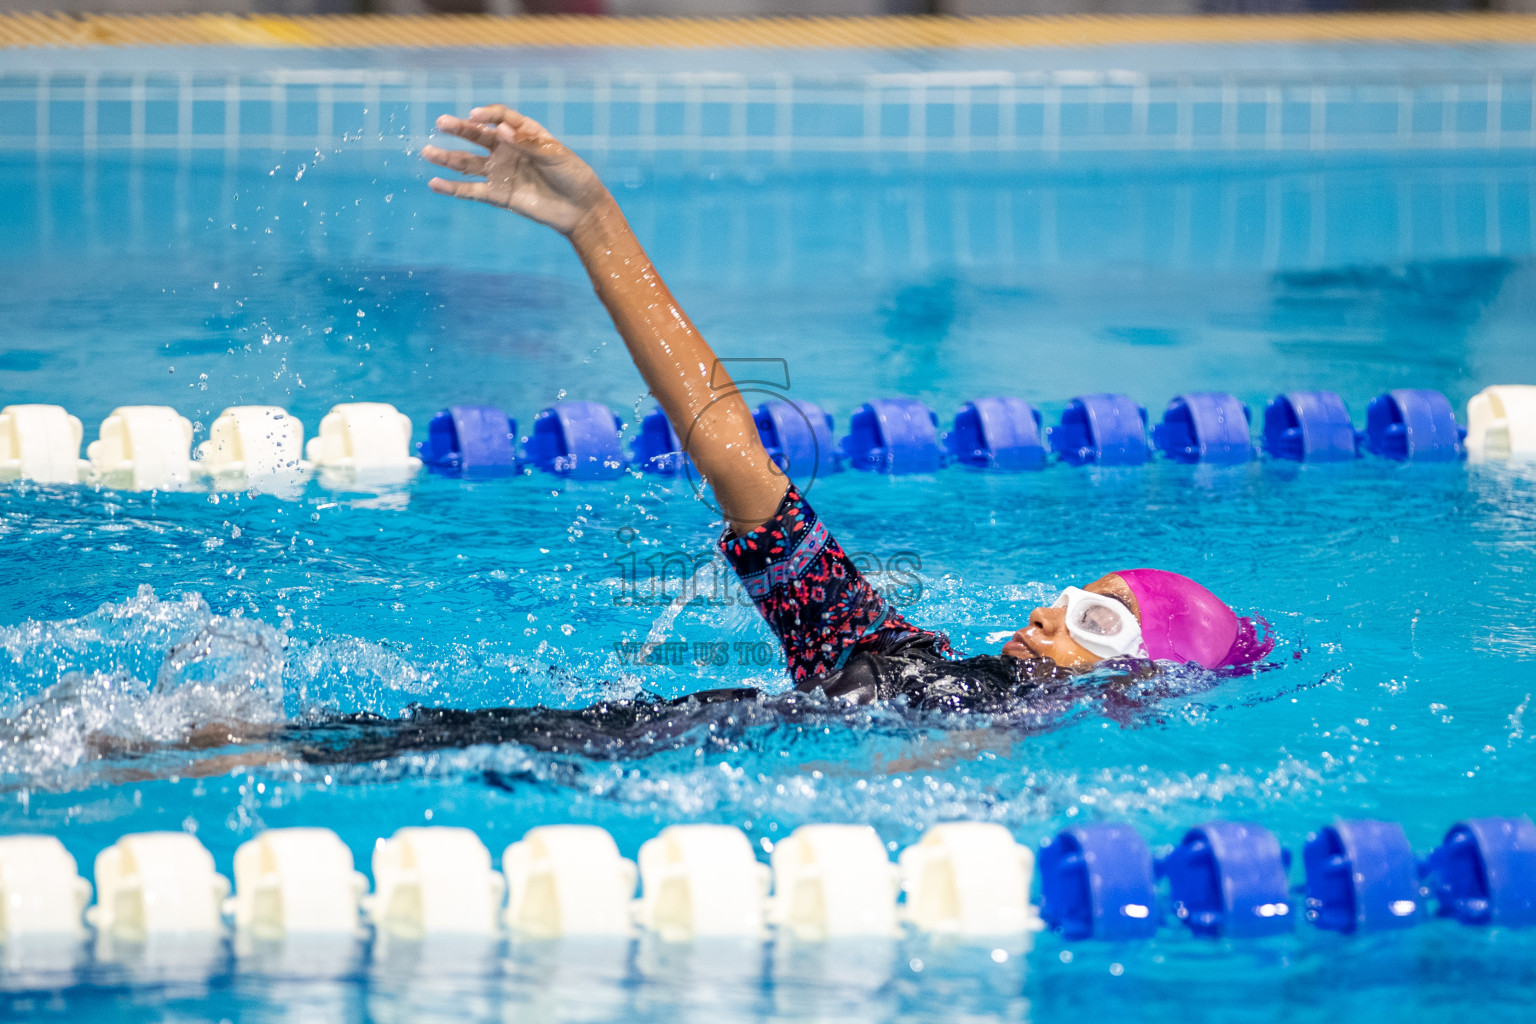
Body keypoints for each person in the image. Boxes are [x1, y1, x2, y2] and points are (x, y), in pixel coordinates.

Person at [420, 104, 1271, 718]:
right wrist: (592, 221)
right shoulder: (887, 646)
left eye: (1096, 619)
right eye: (1070, 597)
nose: (1046, 613)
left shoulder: (983, 718)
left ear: (1142, 685)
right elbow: (733, 455)